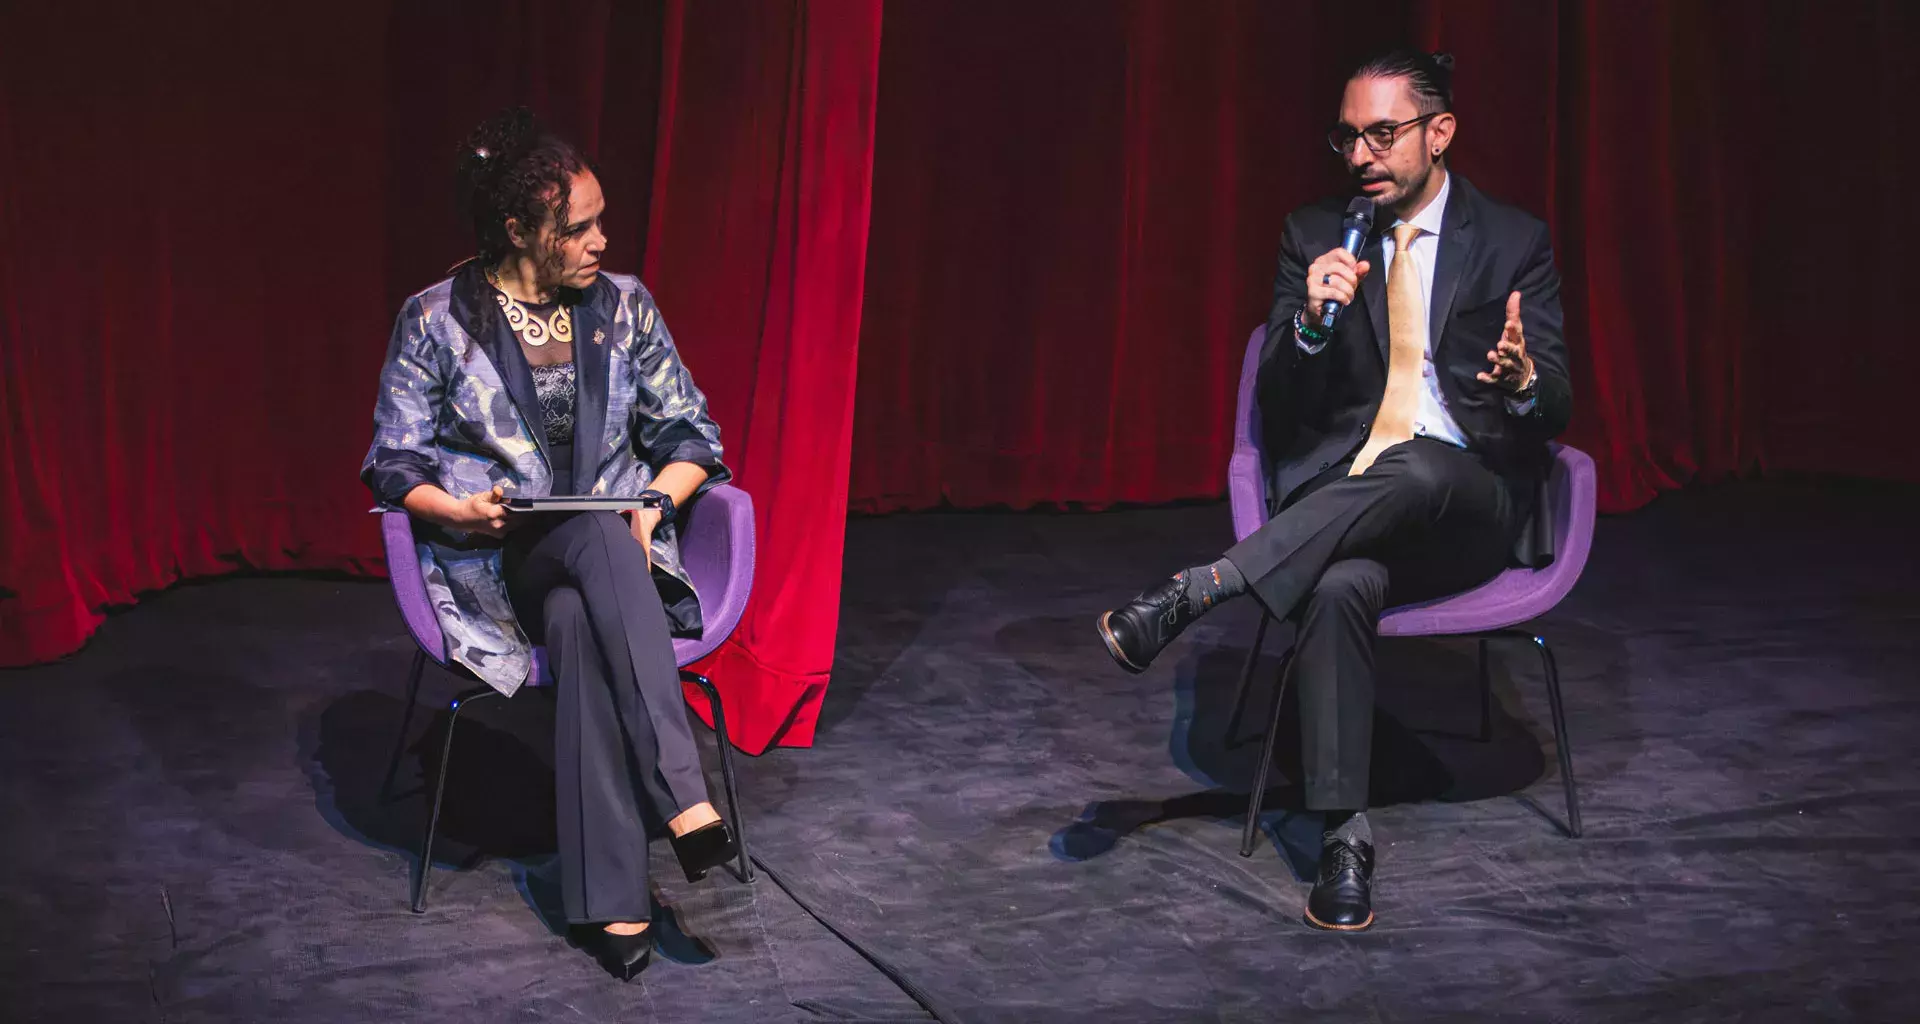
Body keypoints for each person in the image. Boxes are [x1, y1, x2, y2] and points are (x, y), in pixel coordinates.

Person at [1095, 50, 1571, 932]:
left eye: (1382, 133)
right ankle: (1344, 837)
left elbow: (1555, 403)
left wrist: (1520, 380)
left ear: (1440, 132)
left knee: (1426, 462)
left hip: (1464, 510)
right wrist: (1310, 328)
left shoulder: (1512, 240)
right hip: (1345, 506)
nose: (1361, 155)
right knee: (1342, 584)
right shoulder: (1313, 232)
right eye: (1347, 136)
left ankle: (1208, 586)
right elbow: (1276, 403)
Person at [362, 108, 736, 980]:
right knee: (585, 554)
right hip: (497, 562)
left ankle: (612, 903)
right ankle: (682, 793)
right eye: (579, 227)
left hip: (610, 565)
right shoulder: (435, 320)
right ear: (519, 230)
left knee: (582, 604)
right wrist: (455, 512)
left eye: (602, 219)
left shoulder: (625, 307)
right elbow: (391, 461)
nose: (602, 239)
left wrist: (651, 503)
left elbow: (694, 439)